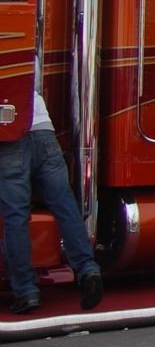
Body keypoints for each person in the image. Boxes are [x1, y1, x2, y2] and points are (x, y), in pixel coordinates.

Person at [2, 89, 105, 313]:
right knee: (64, 204)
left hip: (9, 135)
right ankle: (87, 268)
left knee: (15, 215)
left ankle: (26, 291)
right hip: (43, 129)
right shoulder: (27, 52)